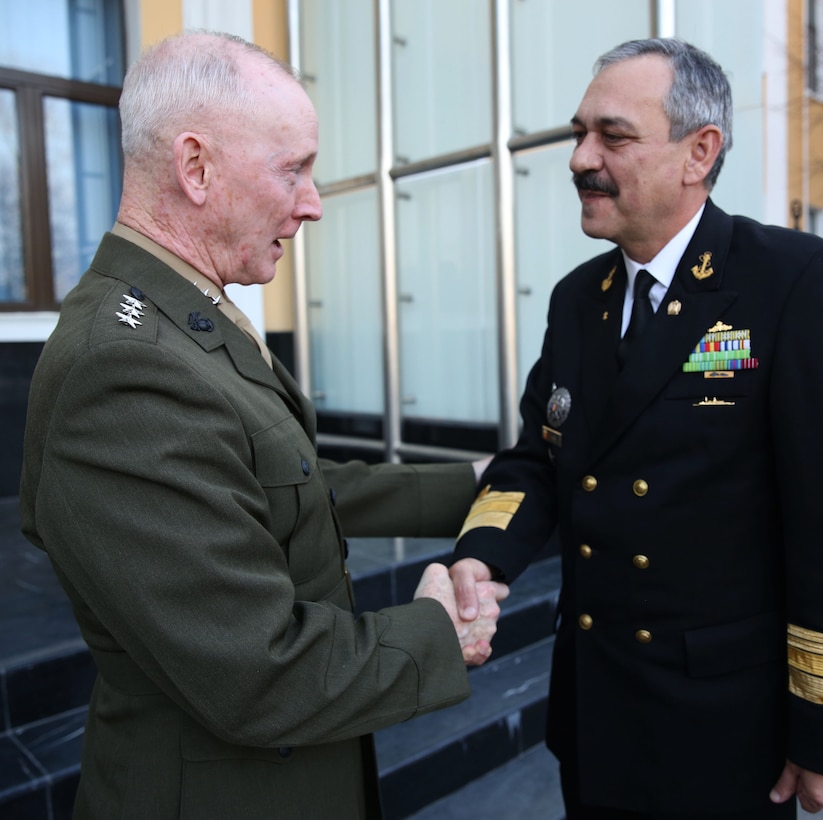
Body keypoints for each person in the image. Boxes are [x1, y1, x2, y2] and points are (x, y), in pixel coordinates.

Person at [19, 31, 507, 820]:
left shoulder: (190, 313)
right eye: (295, 168)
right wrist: (433, 631)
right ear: (196, 168)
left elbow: (283, 485)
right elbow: (255, 670)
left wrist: (469, 486)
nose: (311, 202)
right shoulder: (122, 367)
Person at [451, 37, 823, 819]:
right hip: (593, 705)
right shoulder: (576, 298)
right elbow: (537, 462)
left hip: (721, 726)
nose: (581, 158)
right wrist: (483, 558)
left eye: (611, 137)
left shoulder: (792, 281)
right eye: (578, 133)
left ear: (699, 152)